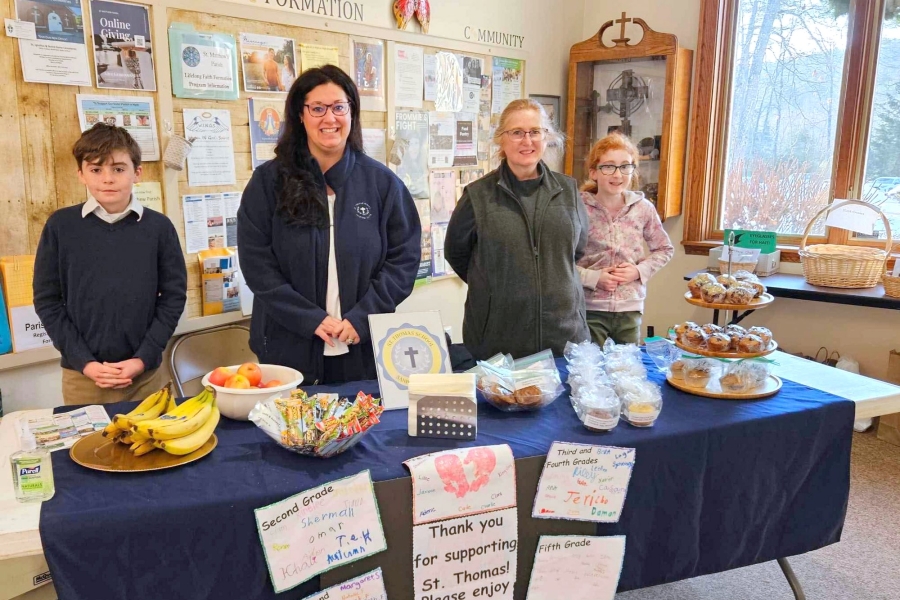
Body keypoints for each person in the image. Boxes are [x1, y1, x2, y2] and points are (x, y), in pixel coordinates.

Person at [238, 65, 421, 384]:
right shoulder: (268, 182)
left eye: (339, 107)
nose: (329, 118)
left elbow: (403, 261)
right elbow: (257, 264)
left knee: (359, 432)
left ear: (352, 112)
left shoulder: (383, 185)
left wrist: (362, 318)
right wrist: (309, 319)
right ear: (300, 114)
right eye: (317, 108)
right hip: (287, 348)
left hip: (360, 347)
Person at [33, 124, 187, 405]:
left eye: (118, 168)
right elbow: (47, 302)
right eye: (96, 169)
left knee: (154, 446)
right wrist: (86, 363)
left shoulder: (159, 228)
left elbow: (173, 298)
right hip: (84, 378)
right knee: (89, 449)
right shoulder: (60, 226)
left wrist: (142, 358)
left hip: (147, 376)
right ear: (81, 174)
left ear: (136, 173)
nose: (107, 179)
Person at [445, 98, 590, 360]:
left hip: (565, 336)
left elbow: (575, 250)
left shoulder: (568, 190)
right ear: (501, 139)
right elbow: (456, 253)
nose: (528, 141)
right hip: (499, 340)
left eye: (535, 132)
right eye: (517, 133)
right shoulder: (478, 196)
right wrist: (495, 288)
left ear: (547, 137)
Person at [576, 133, 674, 345]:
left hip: (630, 308)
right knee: (591, 370)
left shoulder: (643, 209)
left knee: (626, 370)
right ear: (594, 172)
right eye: (609, 166)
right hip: (589, 308)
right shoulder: (578, 209)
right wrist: (593, 278)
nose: (617, 174)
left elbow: (664, 249)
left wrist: (638, 271)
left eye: (625, 166)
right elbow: (561, 260)